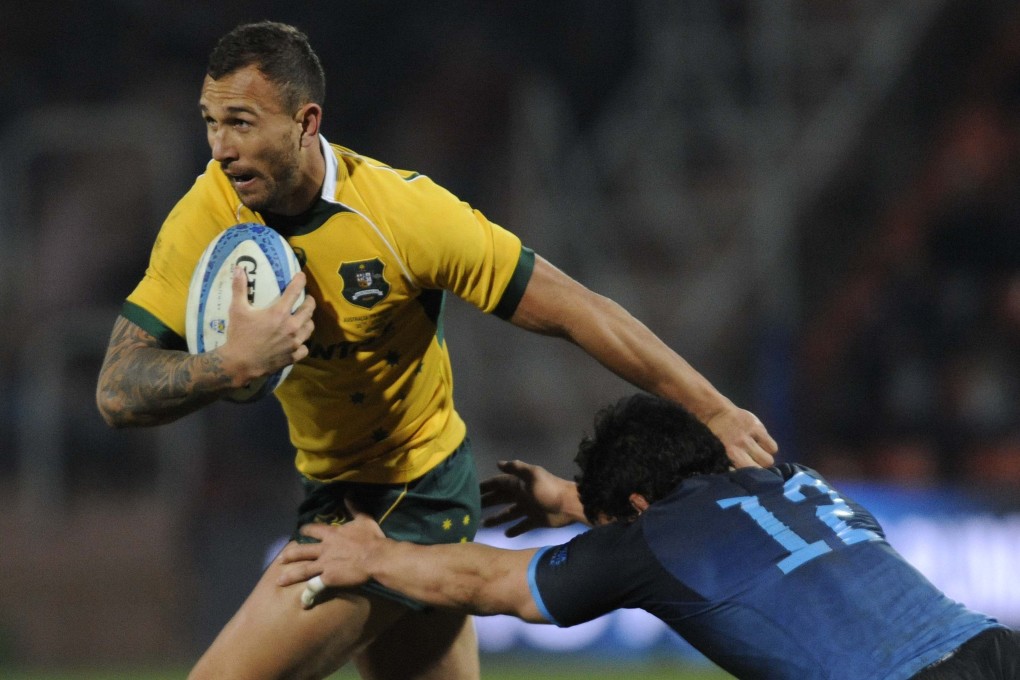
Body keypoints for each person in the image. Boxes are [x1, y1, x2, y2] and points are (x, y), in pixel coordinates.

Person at [95, 20, 777, 680]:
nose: (219, 147)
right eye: (210, 122)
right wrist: (228, 366)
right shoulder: (206, 217)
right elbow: (116, 390)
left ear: (305, 122)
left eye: (240, 122)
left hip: (411, 496)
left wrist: (712, 410)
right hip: (331, 486)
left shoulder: (403, 216)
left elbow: (579, 311)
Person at [278, 393, 1020, 680]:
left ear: (634, 505)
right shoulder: (791, 479)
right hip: (994, 648)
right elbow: (706, 521)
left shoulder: (650, 541)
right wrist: (569, 501)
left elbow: (490, 583)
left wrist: (374, 555)